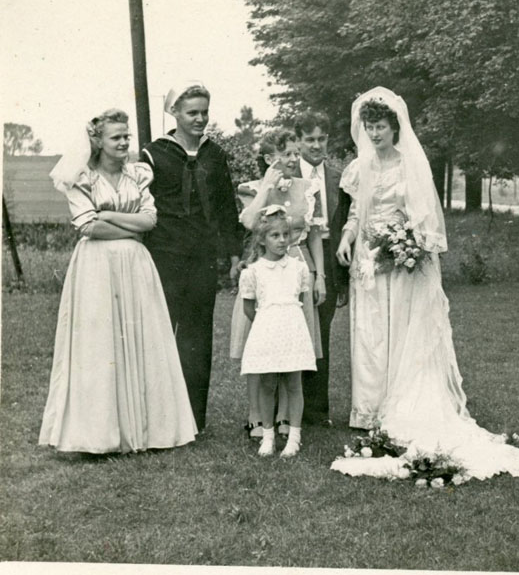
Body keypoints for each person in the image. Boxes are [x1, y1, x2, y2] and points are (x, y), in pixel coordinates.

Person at [332, 87, 519, 482]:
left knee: (400, 333)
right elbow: (355, 213)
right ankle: (369, 411)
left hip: (398, 262)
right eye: (369, 127)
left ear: (395, 128)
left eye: (380, 126)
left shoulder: (409, 164)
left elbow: (422, 220)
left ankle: (396, 409)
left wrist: (399, 248)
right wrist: (349, 239)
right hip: (366, 260)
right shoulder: (359, 168)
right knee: (370, 333)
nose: (374, 134)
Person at [40, 109, 197, 453]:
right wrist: (125, 221)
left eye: (127, 136)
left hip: (136, 264)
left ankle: (148, 429)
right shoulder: (80, 177)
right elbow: (87, 226)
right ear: (97, 141)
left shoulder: (138, 175)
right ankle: (100, 433)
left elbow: (150, 220)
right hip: (95, 266)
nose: (125, 142)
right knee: (100, 343)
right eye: (116, 137)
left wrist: (108, 214)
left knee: (143, 339)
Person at [140, 81, 244, 432]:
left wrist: (232, 254)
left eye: (204, 112)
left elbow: (227, 207)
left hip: (202, 257)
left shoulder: (215, 155)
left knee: (198, 337)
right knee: (160, 332)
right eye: (192, 113)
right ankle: (156, 416)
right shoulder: (153, 154)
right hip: (164, 256)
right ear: (175, 114)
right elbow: (143, 206)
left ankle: (193, 419)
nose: (200, 119)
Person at [230, 129, 327, 437]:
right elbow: (247, 221)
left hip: (297, 267)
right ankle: (256, 415)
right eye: (286, 154)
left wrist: (319, 276)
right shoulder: (252, 188)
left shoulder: (307, 187)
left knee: (292, 342)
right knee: (257, 342)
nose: (293, 158)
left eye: (295, 153)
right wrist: (267, 186)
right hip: (263, 269)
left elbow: (314, 236)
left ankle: (286, 416)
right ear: (270, 159)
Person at [240, 206, 317, 457]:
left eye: (286, 234)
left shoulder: (299, 268)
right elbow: (249, 308)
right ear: (262, 239)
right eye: (275, 236)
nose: (282, 240)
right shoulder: (253, 271)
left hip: (292, 327)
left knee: (294, 383)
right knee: (267, 383)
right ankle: (268, 435)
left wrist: (286, 320)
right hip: (267, 330)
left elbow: (302, 299)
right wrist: (268, 323)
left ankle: (294, 436)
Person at [292, 111, 350, 427]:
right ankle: (288, 407)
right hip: (297, 251)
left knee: (321, 332)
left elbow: (344, 227)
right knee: (293, 328)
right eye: (309, 139)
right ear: (299, 140)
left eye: (321, 139)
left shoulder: (339, 177)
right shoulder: (288, 173)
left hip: (328, 252)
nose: (316, 145)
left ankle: (316, 410)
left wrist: (339, 279)